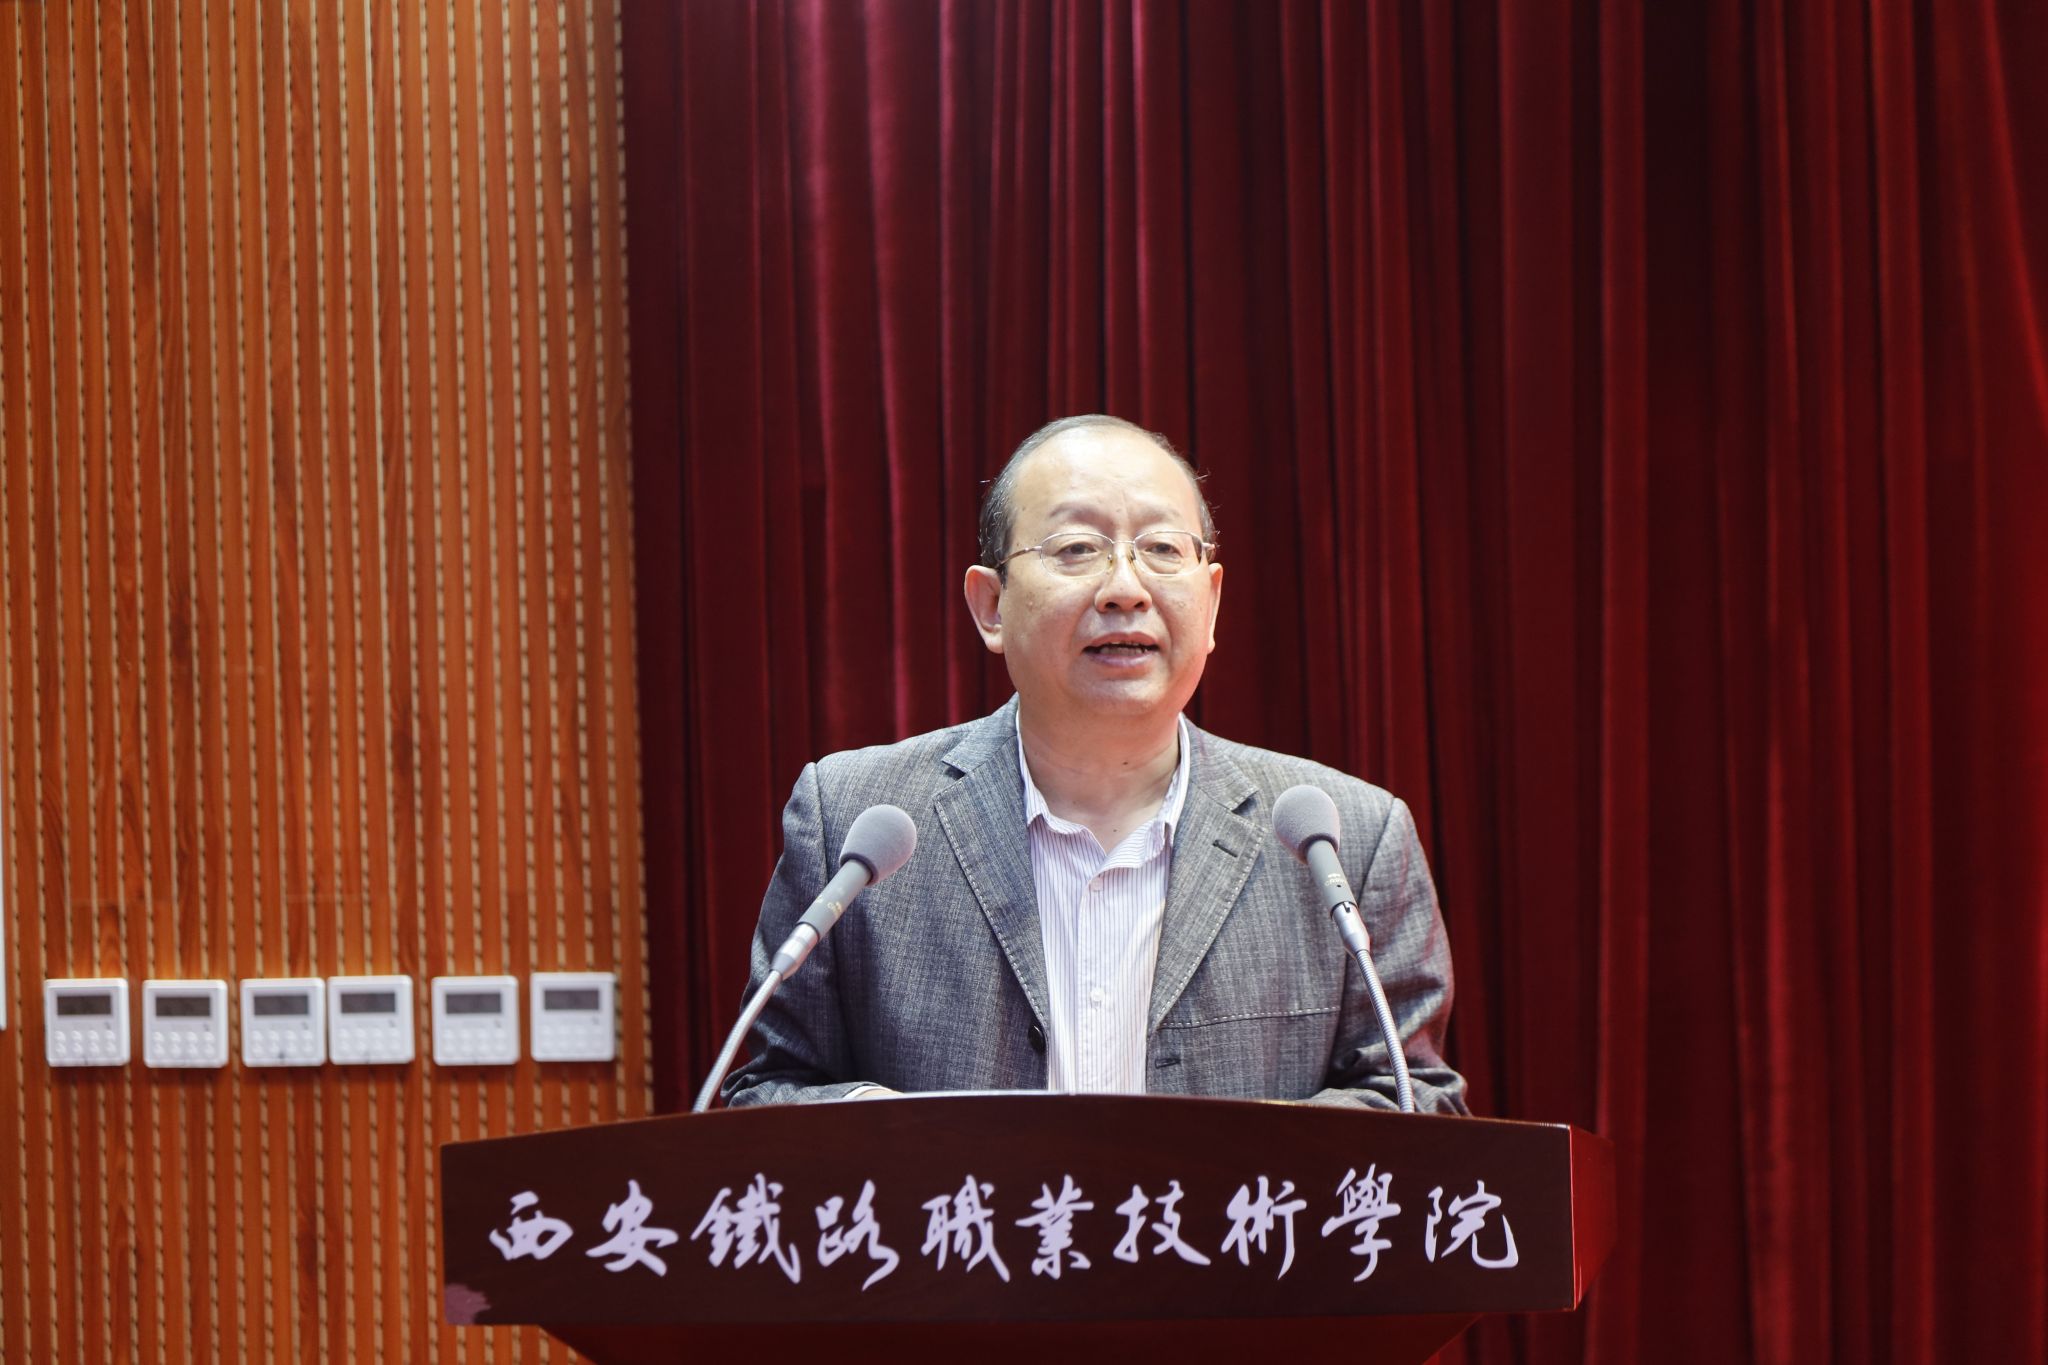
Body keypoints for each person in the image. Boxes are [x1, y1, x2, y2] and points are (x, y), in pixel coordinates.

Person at [723, 415, 1467, 1112]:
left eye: (1163, 549)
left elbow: (1417, 1101)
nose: (1125, 589)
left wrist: (1247, 1162)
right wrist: (903, 1144)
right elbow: (767, 1091)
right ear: (990, 606)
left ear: (1211, 603)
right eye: (1076, 548)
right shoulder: (854, 821)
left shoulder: (1347, 839)